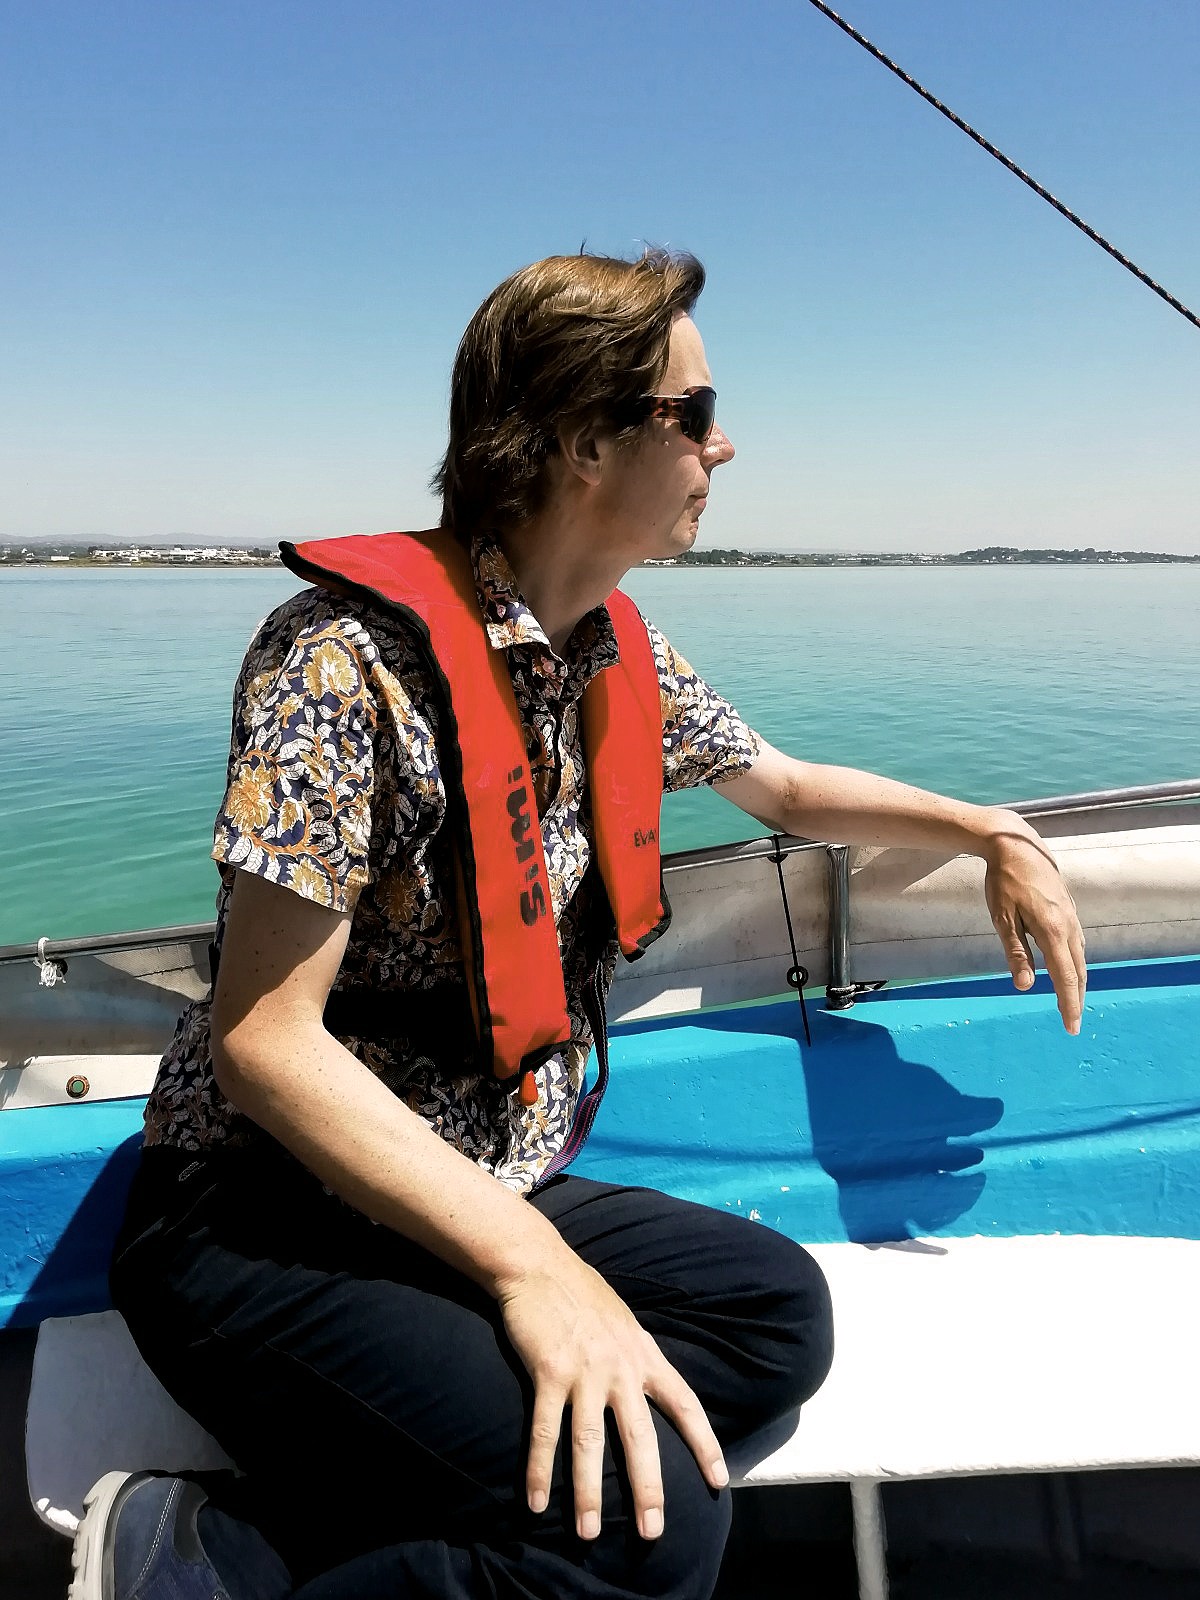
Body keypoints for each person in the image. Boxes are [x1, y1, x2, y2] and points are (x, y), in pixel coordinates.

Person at [78, 249, 1087, 1600]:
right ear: (583, 441)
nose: (725, 444)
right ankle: (195, 1568)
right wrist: (533, 1270)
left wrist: (989, 829)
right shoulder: (339, 662)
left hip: (469, 1177)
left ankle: (293, 1534)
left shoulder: (614, 648)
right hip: (259, 1215)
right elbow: (265, 1042)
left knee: (775, 1322)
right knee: (649, 1536)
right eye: (694, 410)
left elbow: (783, 788)